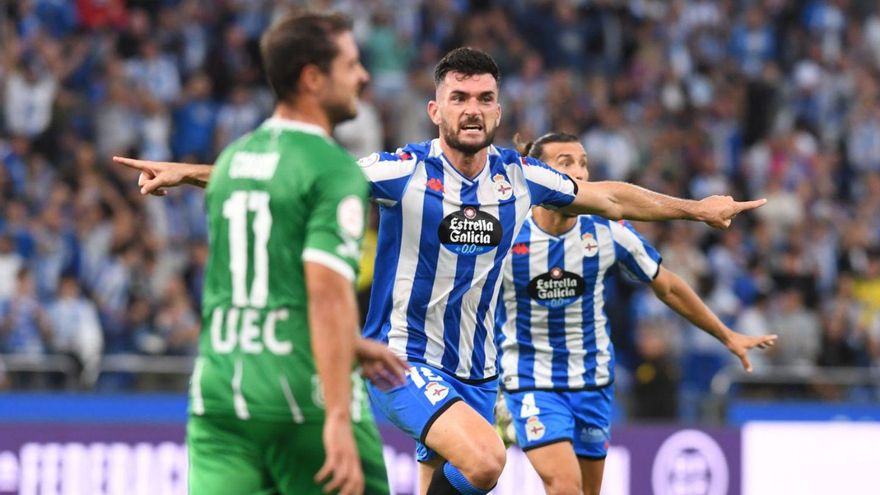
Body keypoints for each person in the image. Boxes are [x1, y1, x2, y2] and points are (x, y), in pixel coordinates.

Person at [114, 47, 766, 495]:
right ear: (437, 110)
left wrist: (695, 210)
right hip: (402, 359)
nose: (472, 108)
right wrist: (192, 171)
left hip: (479, 371)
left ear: (500, 112)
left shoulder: (521, 174)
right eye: (459, 97)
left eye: (484, 97)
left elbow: (617, 197)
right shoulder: (403, 172)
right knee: (486, 460)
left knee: (459, 476)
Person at [123, 12, 408, 495]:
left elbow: (264, 285)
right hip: (299, 394)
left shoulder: (236, 158)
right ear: (313, 78)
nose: (363, 76)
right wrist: (338, 416)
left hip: (220, 394)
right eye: (351, 65)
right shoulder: (334, 170)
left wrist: (353, 344)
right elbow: (325, 296)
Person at [495, 133, 778, 495]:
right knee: (564, 486)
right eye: (566, 163)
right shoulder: (507, 233)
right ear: (538, 174)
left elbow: (668, 286)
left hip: (592, 380)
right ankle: (504, 417)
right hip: (529, 379)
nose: (580, 172)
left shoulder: (607, 230)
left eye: (583, 162)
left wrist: (727, 335)